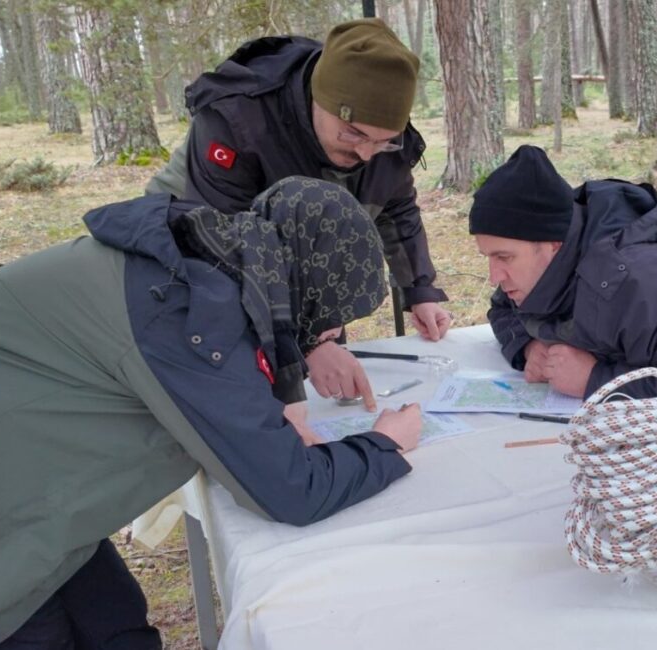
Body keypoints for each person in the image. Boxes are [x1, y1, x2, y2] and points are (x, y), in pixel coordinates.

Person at [0, 178, 422, 650]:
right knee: (27, 627)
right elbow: (290, 490)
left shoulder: (210, 261)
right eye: (334, 310)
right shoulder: (187, 314)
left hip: (11, 469)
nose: (335, 329)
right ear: (305, 280)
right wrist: (383, 445)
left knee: (115, 624)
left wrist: (270, 406)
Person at [146, 18, 453, 408]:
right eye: (354, 134)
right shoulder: (238, 120)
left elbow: (395, 207)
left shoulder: (380, 135)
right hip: (195, 226)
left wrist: (419, 289)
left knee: (316, 369)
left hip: (293, 225)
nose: (365, 154)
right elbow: (225, 250)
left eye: (383, 142)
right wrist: (307, 344)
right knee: (232, 356)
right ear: (318, 101)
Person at [471, 145, 657, 399]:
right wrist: (527, 346)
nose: (495, 275)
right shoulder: (532, 276)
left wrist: (598, 381)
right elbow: (502, 309)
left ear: (552, 245)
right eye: (488, 257)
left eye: (503, 257)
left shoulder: (651, 283)